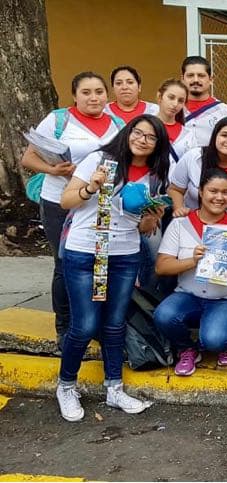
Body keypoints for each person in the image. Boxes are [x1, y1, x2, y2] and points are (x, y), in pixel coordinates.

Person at [54, 114, 170, 421]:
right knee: (85, 324)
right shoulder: (100, 160)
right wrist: (91, 188)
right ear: (128, 133)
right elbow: (66, 201)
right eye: (137, 133)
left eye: (150, 137)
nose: (142, 140)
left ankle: (114, 388)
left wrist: (151, 216)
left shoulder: (156, 175)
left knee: (115, 323)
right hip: (84, 251)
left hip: (123, 254)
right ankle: (66, 385)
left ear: (158, 144)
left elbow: (145, 227)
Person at [20, 71, 124, 349]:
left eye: (99, 92)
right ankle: (64, 326)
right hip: (59, 202)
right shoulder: (58, 120)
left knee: (99, 263)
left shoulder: (117, 123)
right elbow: (28, 157)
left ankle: (94, 323)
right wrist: (52, 169)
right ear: (74, 96)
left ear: (106, 95)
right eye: (86, 92)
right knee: (64, 263)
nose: (94, 98)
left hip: (99, 206)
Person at [154, 168, 227, 375]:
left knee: (215, 340)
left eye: (225, 192)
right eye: (213, 191)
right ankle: (187, 349)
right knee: (163, 316)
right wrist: (192, 260)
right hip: (188, 295)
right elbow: (162, 266)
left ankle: (221, 343)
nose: (219, 197)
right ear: (201, 192)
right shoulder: (180, 225)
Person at [169, 117, 227, 219]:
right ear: (214, 136)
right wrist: (179, 210)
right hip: (190, 224)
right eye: (224, 135)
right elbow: (175, 189)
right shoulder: (193, 157)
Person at [179, 56, 227, 155]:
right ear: (182, 79)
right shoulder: (173, 109)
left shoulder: (224, 112)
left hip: (212, 167)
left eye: (201, 75)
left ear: (211, 79)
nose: (196, 80)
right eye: (190, 75)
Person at [153, 78, 189, 161]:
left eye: (180, 101)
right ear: (159, 96)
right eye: (171, 98)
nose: (175, 104)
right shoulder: (144, 126)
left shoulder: (188, 135)